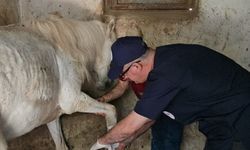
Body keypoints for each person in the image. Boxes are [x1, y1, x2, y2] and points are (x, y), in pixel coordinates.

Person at [91, 36, 250, 150]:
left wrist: (100, 143)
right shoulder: (166, 59)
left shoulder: (167, 73)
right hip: (220, 122)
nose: (125, 79)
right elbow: (149, 117)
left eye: (123, 75)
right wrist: (127, 140)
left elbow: (132, 124)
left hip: (241, 117)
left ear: (135, 67)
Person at [97, 75, 183, 150]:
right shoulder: (126, 67)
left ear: (136, 67)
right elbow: (121, 87)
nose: (125, 77)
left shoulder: (159, 76)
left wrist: (101, 142)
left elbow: (146, 120)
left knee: (166, 140)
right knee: (158, 139)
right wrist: (103, 100)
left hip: (169, 108)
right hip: (151, 107)